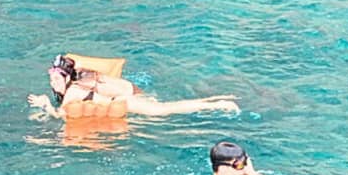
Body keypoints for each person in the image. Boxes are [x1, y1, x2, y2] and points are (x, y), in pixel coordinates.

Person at [28, 54, 239, 117]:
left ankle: (218, 104)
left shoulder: (74, 91)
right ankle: (214, 100)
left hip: (128, 102)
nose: (52, 82)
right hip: (132, 92)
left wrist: (45, 105)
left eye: (56, 79)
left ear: (67, 78)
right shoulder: (82, 76)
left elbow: (62, 116)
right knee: (164, 108)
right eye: (51, 78)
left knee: (163, 111)